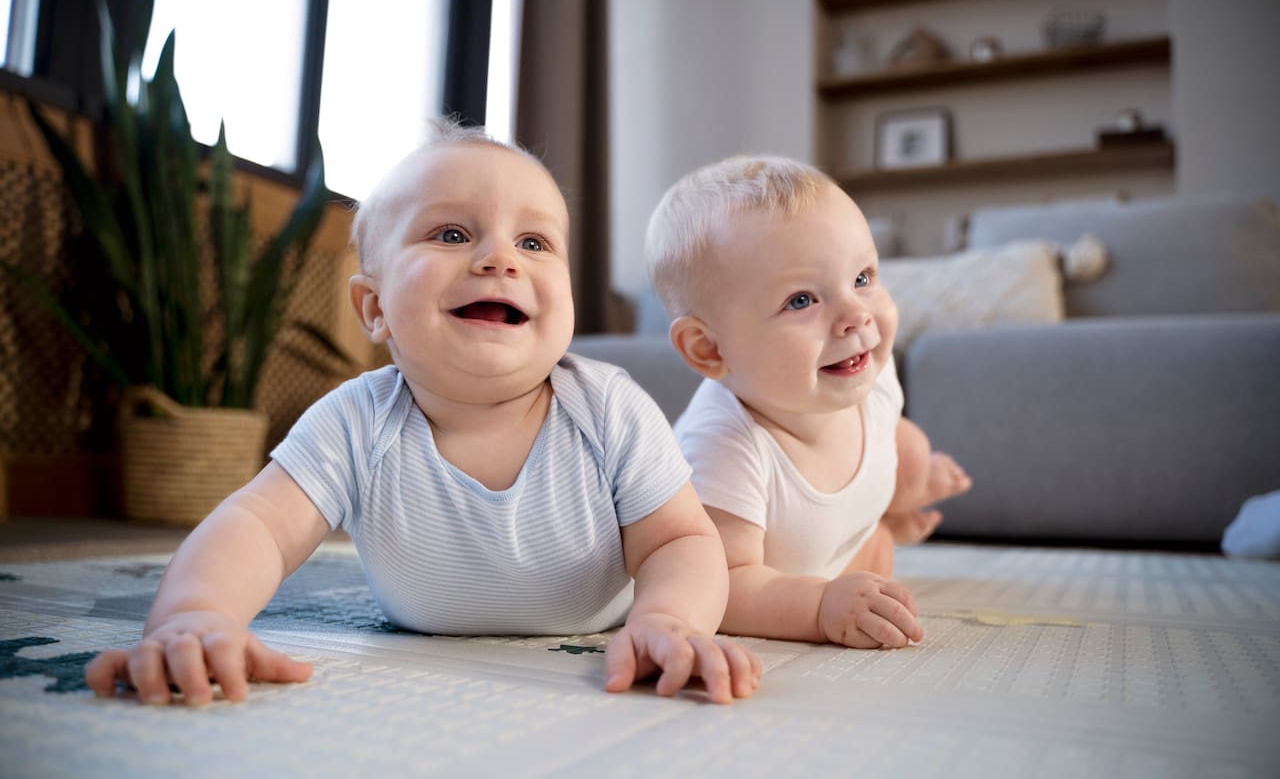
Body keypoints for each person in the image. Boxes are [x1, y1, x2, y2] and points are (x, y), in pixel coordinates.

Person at [85, 122, 761, 706]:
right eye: (452, 233)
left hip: (595, 630)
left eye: (534, 243)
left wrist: (670, 620)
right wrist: (196, 614)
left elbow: (678, 541)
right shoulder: (356, 420)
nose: (499, 259)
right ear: (374, 308)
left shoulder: (608, 407)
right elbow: (257, 526)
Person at [645, 154, 970, 650]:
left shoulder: (866, 370)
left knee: (911, 450)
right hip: (790, 571)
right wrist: (818, 606)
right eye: (802, 300)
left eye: (862, 278)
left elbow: (886, 430)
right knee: (872, 572)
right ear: (709, 349)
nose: (856, 315)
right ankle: (885, 523)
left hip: (840, 538)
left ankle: (895, 503)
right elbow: (718, 587)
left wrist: (907, 476)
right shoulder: (721, 450)